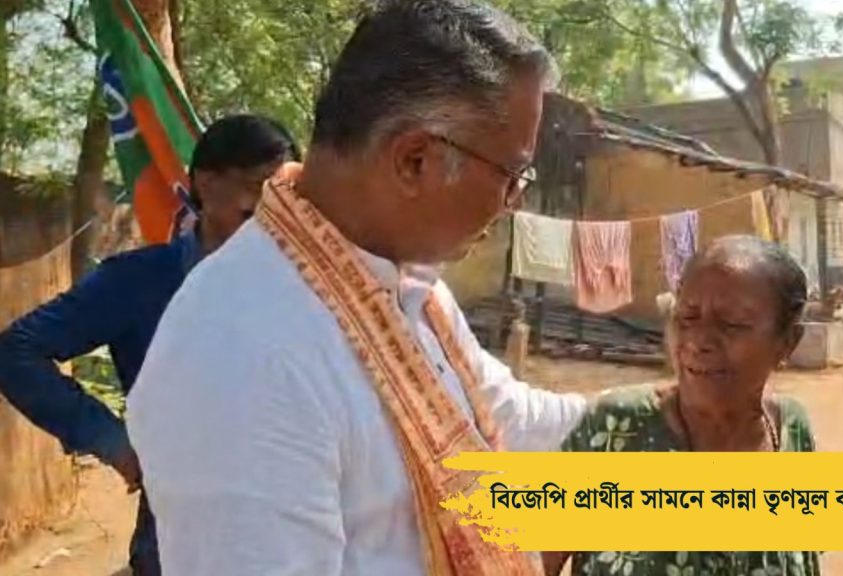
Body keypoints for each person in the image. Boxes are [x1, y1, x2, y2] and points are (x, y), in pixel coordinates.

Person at [126, 2, 587, 575]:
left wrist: (715, 485)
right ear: (415, 160)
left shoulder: (406, 286)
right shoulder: (243, 353)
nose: (514, 201)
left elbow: (513, 426)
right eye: (513, 176)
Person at [0, 113, 300, 576]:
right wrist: (112, 441)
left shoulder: (311, 286)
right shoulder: (141, 280)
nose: (271, 207)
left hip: (294, 538)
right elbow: (16, 351)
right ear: (206, 182)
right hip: (177, 544)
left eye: (285, 192)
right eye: (256, 186)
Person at [546, 235, 821, 576]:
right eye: (687, 317)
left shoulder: (792, 431)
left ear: (787, 342)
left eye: (733, 323)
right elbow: (527, 566)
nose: (698, 341)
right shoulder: (613, 430)